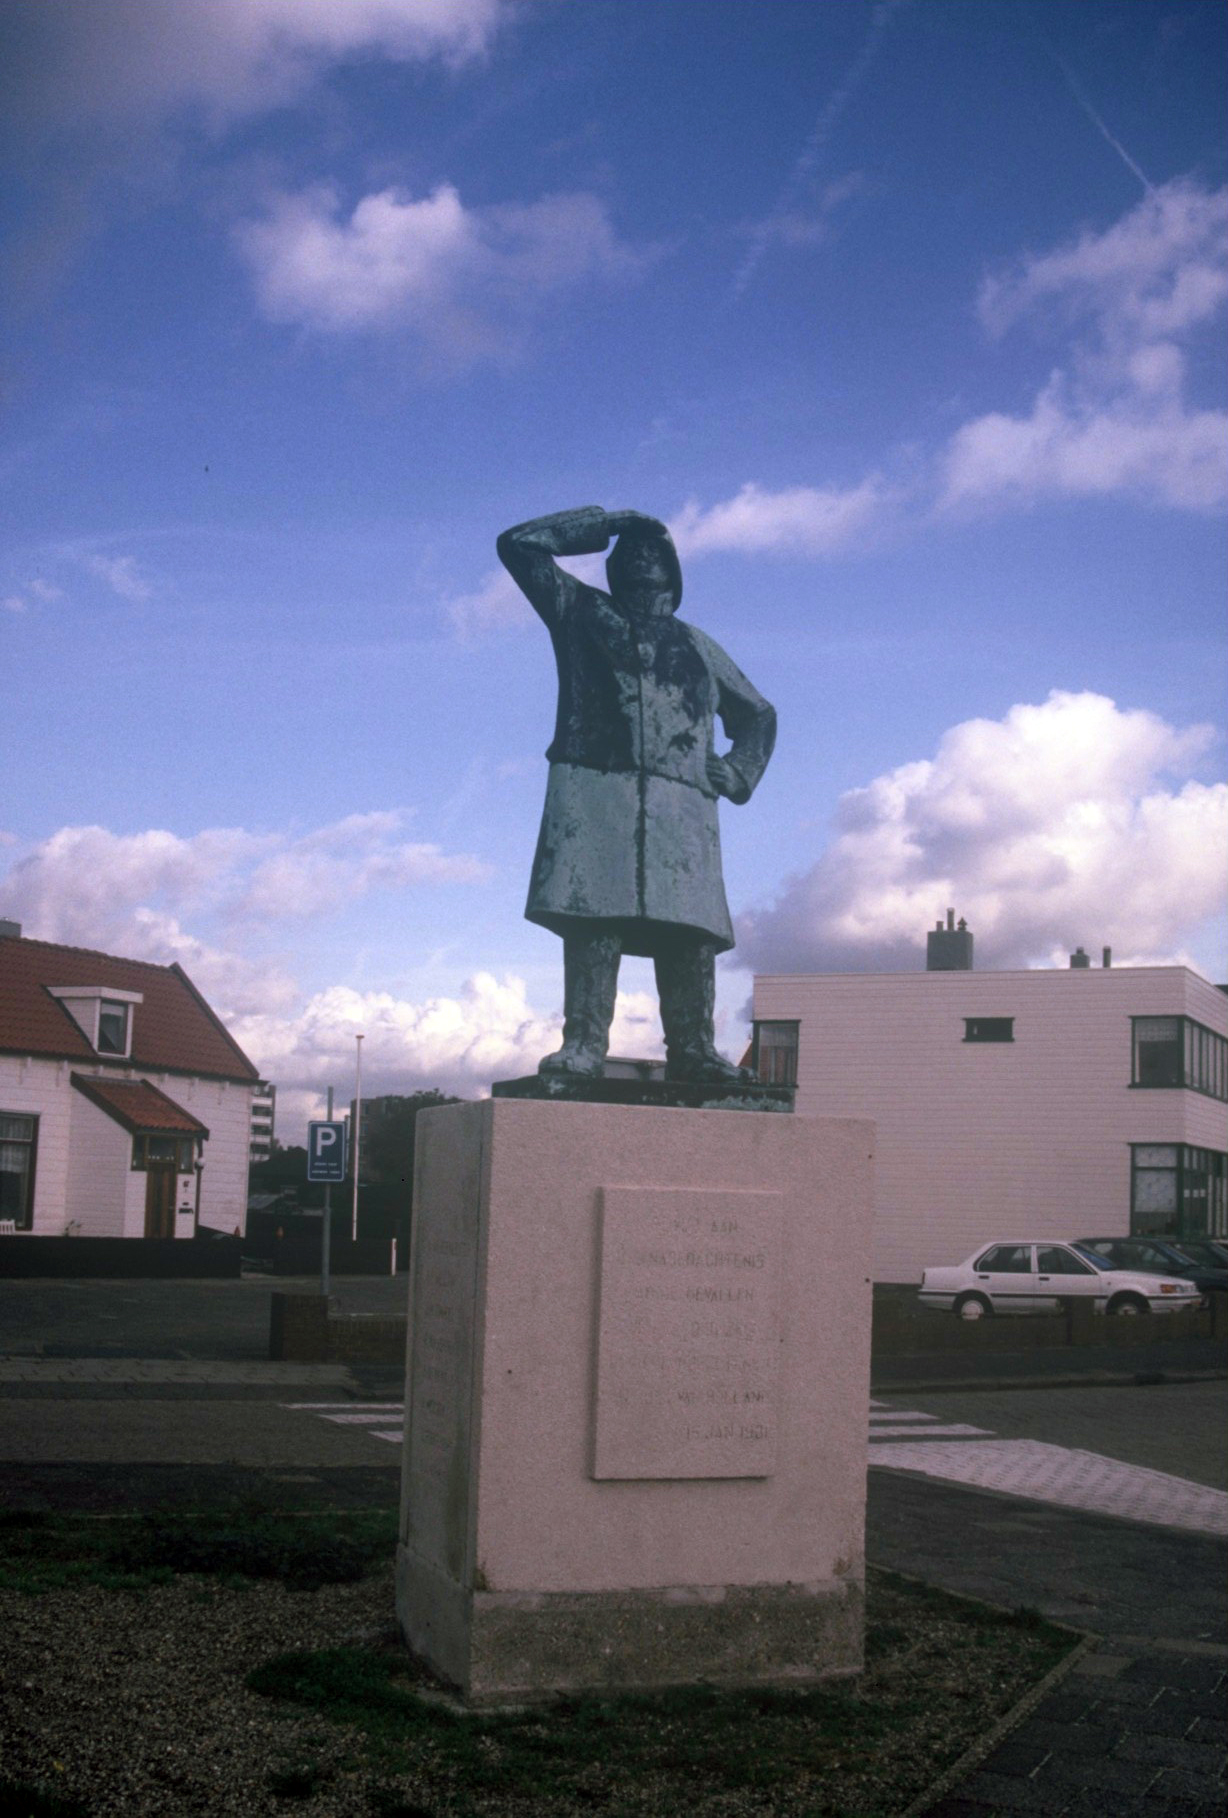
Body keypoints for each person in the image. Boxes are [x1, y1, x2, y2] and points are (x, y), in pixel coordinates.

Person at [496, 504, 776, 1084]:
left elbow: (758, 715)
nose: (644, 557)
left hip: (682, 807)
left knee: (690, 933)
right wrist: (607, 524)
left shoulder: (697, 645)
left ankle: (694, 1050)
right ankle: (584, 1043)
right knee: (593, 919)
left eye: (655, 551)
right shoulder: (580, 611)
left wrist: (737, 771)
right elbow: (520, 545)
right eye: (633, 551)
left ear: (673, 571)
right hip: (596, 793)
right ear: (615, 564)